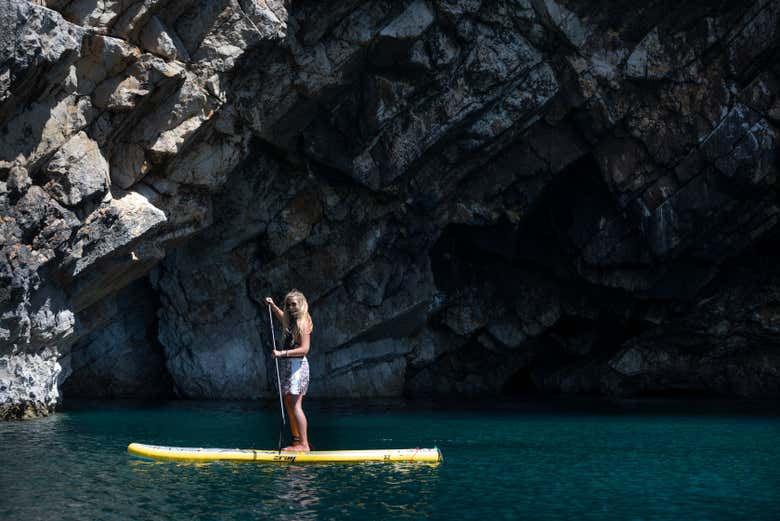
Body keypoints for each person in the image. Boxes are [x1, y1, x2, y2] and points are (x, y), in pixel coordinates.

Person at [264, 290, 313, 452]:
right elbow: (281, 316)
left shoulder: (304, 321)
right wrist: (273, 307)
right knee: (288, 403)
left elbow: (305, 349)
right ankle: (297, 440)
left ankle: (304, 445)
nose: (290, 307)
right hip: (287, 366)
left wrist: (282, 353)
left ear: (301, 304)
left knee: (295, 404)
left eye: (294, 304)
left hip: (298, 366)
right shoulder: (290, 320)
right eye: (288, 305)